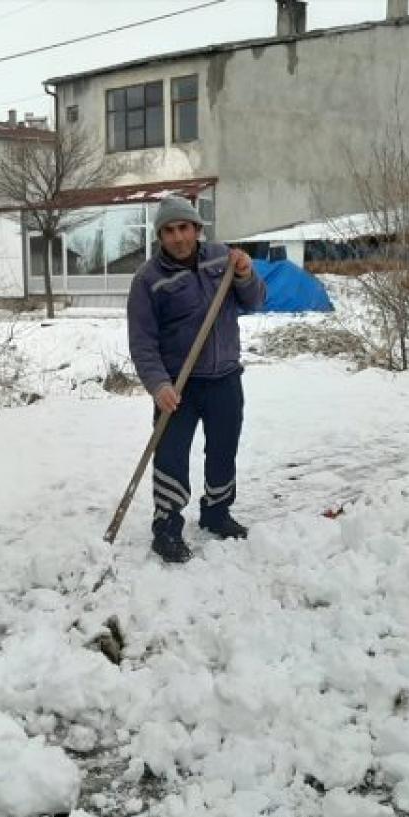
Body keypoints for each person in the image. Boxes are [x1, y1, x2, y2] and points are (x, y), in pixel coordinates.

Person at [126, 196, 265, 563]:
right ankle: (167, 528)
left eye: (183, 228)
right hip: (179, 386)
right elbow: (142, 343)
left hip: (225, 379)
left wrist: (246, 274)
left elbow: (254, 300)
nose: (177, 237)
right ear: (160, 236)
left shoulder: (223, 259)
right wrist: (159, 385)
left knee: (223, 450)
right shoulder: (148, 279)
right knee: (170, 456)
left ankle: (217, 514)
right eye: (168, 231)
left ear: (197, 229)